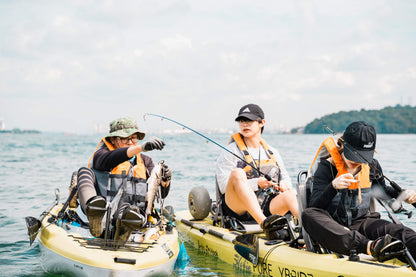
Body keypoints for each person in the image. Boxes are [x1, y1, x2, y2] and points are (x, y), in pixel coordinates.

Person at [302, 121, 416, 261]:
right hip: (334, 227)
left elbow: (383, 191)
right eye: (354, 155)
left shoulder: (372, 166)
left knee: (402, 233)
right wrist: (333, 186)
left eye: (362, 156)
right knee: (308, 214)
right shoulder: (327, 167)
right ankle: (370, 246)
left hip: (363, 222)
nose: (357, 161)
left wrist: (403, 194)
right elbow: (315, 206)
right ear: (343, 144)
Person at [76, 117, 172, 243]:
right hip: (103, 211)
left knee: (130, 212)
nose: (130, 142)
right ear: (113, 139)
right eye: (125, 138)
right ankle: (95, 217)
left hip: (130, 215)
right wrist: (141, 147)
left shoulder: (146, 161)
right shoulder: (102, 155)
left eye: (134, 138)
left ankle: (124, 228)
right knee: (84, 171)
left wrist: (165, 180)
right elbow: (116, 156)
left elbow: (160, 194)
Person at [215, 104, 298, 239]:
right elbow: (224, 187)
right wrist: (256, 183)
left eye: (249, 120)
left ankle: (311, 234)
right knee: (237, 173)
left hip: (266, 205)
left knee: (292, 193)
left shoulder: (273, 152)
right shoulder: (230, 151)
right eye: (241, 121)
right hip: (238, 208)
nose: (244, 124)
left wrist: (283, 185)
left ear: (261, 123)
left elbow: (286, 179)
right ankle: (265, 225)